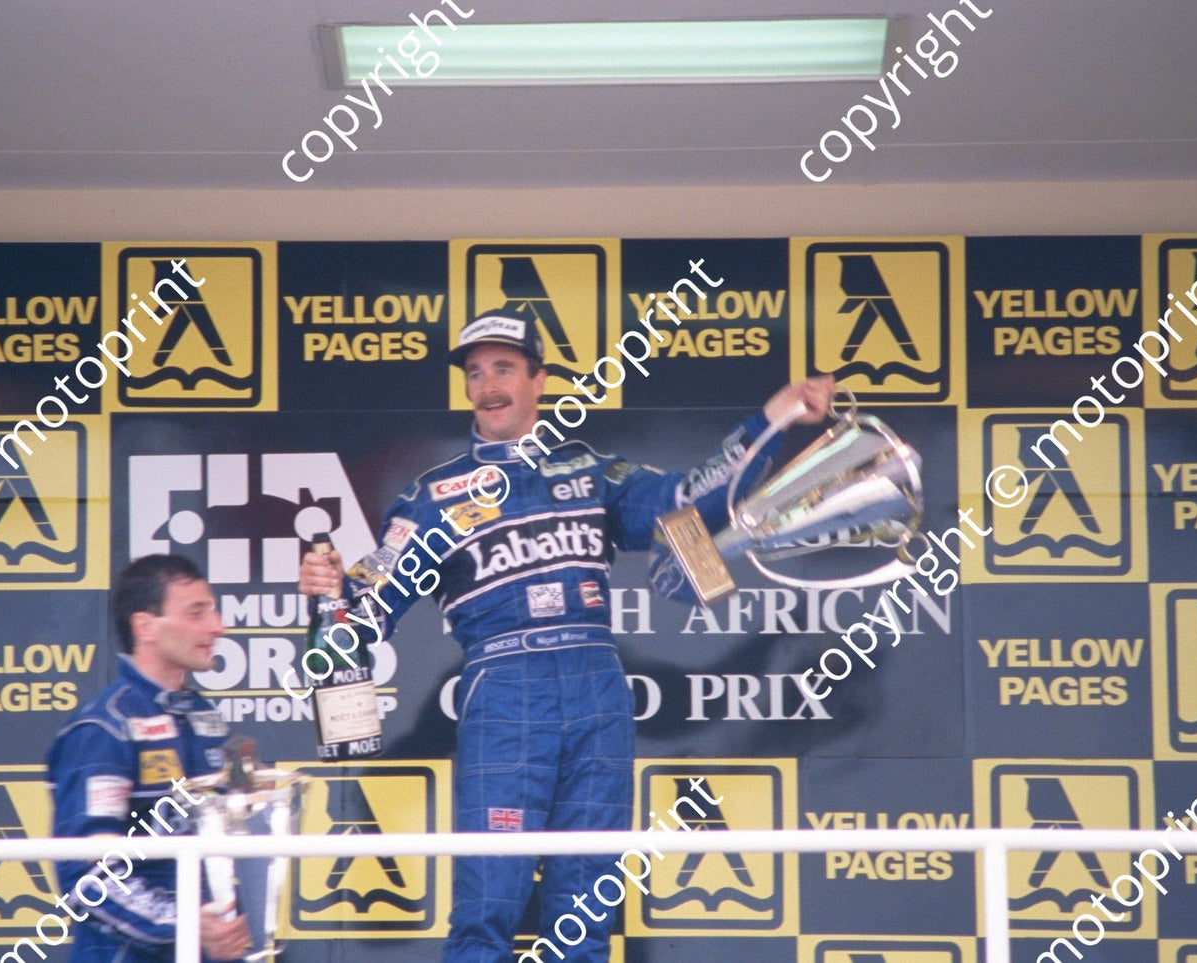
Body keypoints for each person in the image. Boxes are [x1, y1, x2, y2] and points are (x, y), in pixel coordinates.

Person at [297, 311, 833, 963]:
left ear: (538, 380)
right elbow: (364, 619)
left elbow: (691, 500)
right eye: (474, 373)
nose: (486, 386)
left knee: (583, 915)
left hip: (597, 695)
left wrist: (771, 421)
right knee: (485, 911)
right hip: (504, 696)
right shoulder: (432, 498)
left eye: (502, 369)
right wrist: (330, 597)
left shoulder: (591, 472)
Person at [47, 553, 252, 962]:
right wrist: (185, 925)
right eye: (197, 613)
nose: (218, 627)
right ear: (145, 626)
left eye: (213, 611)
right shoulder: (105, 728)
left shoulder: (201, 714)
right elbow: (88, 873)